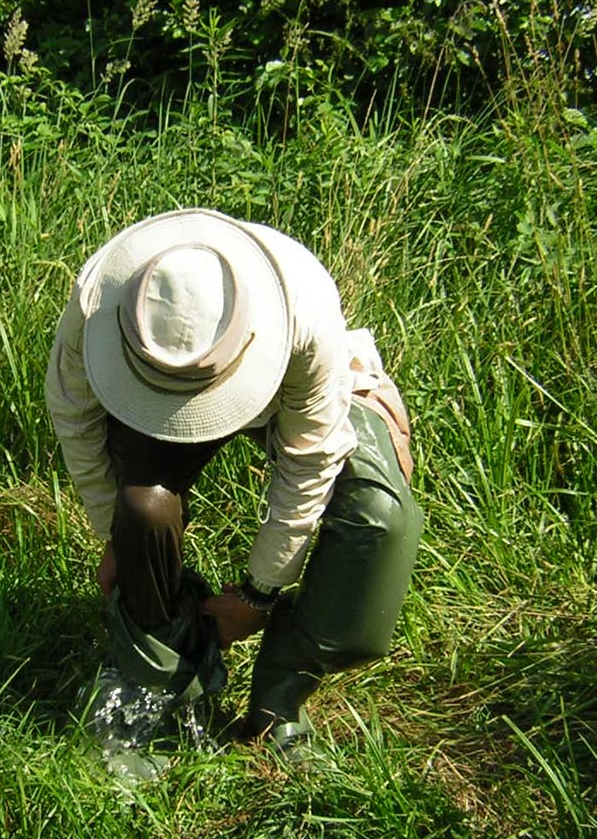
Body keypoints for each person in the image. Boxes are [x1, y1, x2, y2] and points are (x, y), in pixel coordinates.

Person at [45, 208, 422, 753]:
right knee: (141, 511)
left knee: (381, 518)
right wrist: (115, 537)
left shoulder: (304, 310)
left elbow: (309, 459)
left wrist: (259, 592)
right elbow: (76, 419)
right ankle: (161, 675)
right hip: (147, 394)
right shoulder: (96, 302)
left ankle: (279, 701)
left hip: (290, 386)